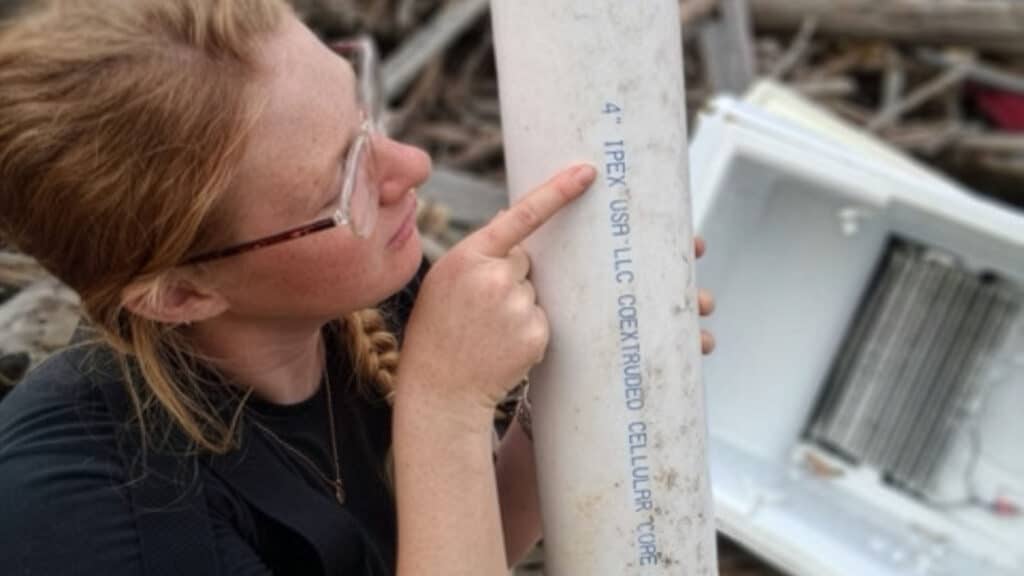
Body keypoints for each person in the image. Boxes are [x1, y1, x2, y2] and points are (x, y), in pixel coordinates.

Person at [0, 1, 716, 574]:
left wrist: (572, 376)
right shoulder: (93, 518)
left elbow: (465, 546)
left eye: (364, 117)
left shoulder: (364, 300)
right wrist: (444, 409)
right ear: (181, 296)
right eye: (343, 187)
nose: (415, 165)